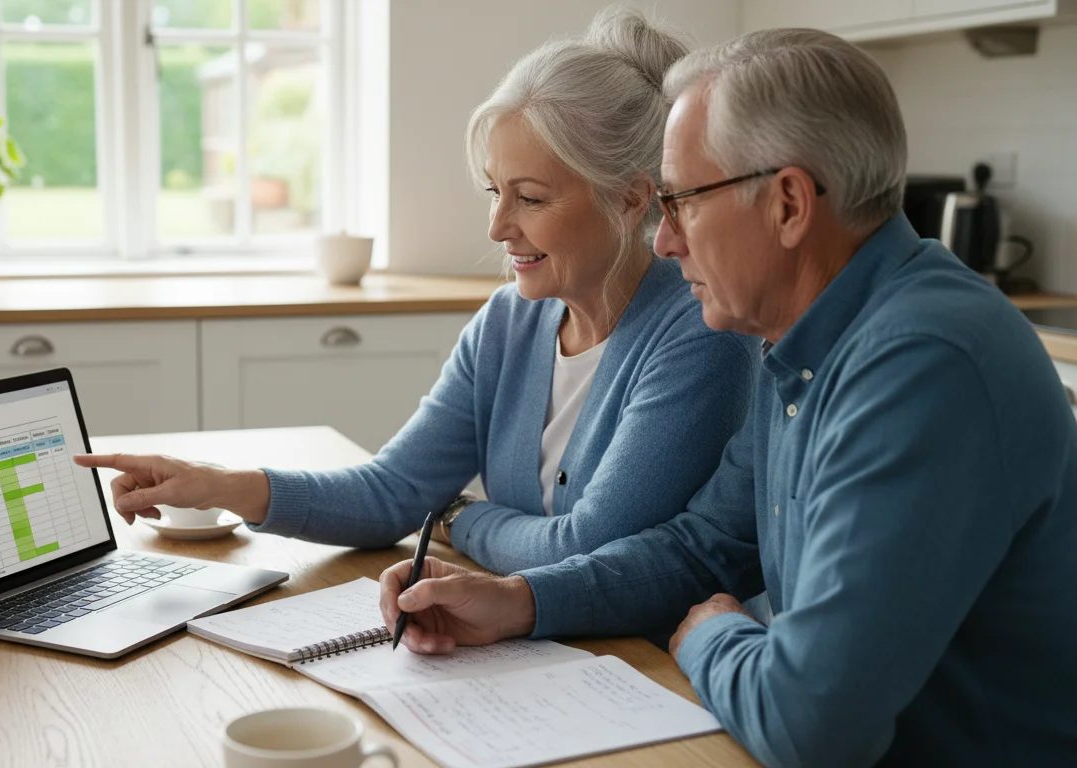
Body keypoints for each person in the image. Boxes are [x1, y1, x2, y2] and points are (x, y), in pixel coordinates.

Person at [378, 27, 1077, 766]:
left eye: (680, 202)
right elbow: (702, 547)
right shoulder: (805, 342)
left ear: (787, 204)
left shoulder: (921, 366)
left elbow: (811, 727)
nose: (663, 241)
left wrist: (713, 634)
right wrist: (519, 601)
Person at [74, 8, 756, 575]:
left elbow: (587, 549)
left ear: (632, 198)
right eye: (495, 191)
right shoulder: (507, 324)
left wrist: (464, 517)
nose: (497, 225)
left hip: (644, 672)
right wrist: (219, 484)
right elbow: (394, 492)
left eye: (530, 197)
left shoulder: (697, 336)